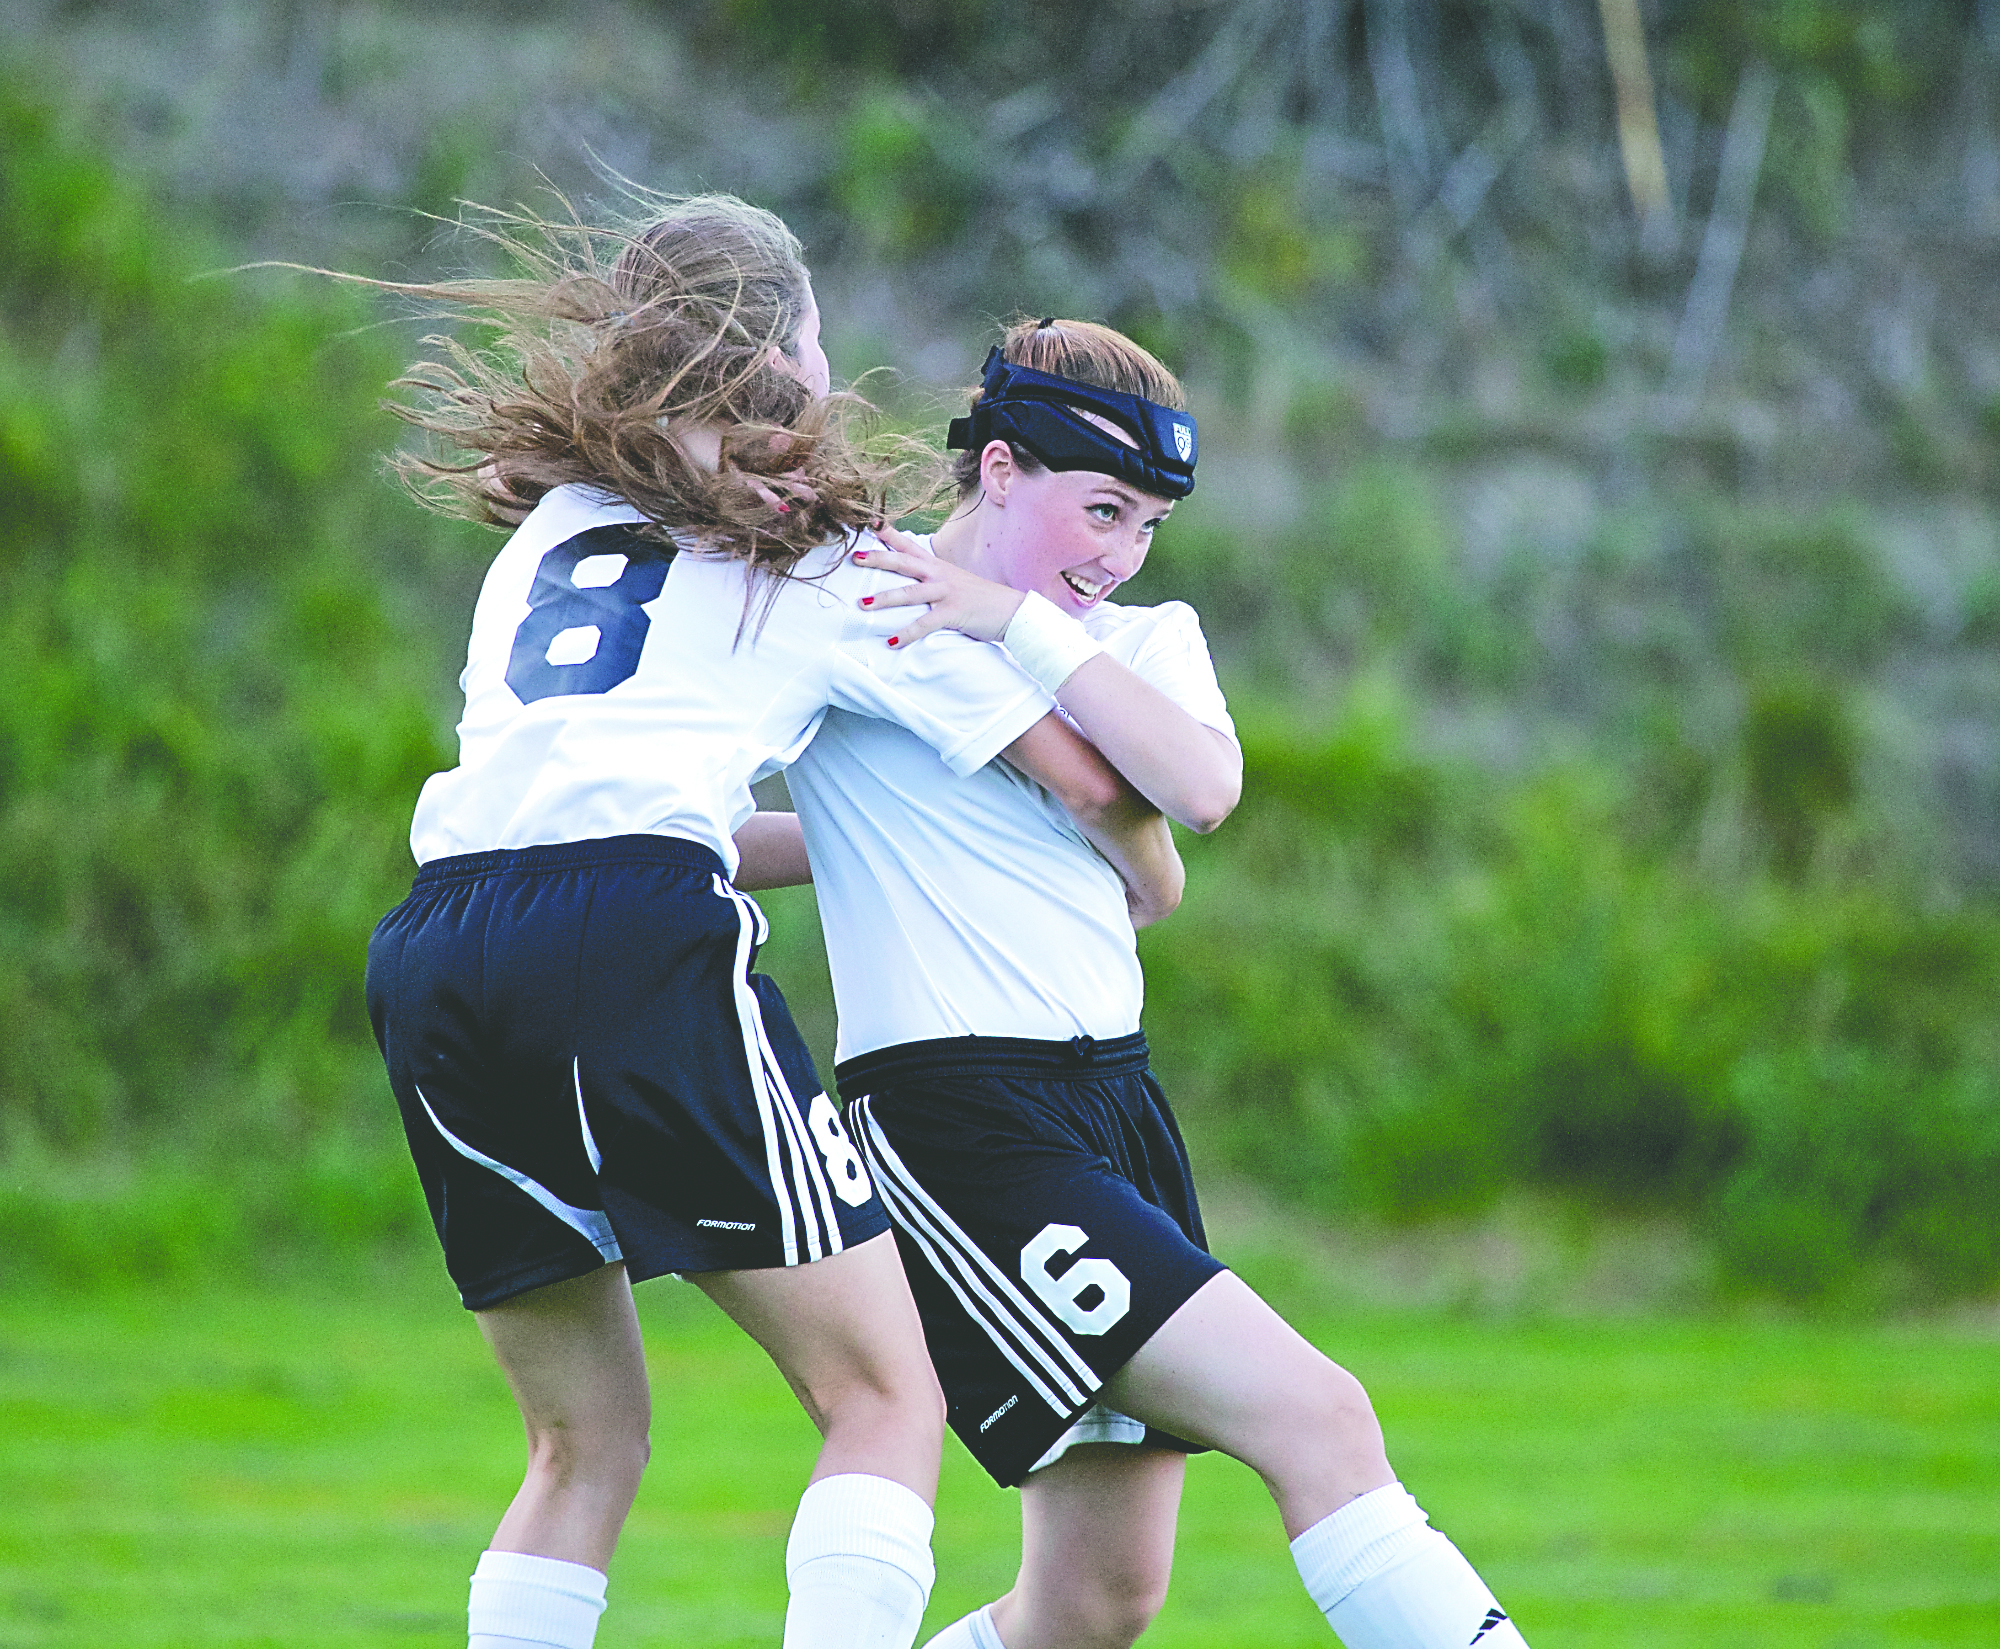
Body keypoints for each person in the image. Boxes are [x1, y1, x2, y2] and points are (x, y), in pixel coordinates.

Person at [355, 201, 1178, 1649]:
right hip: (631, 937)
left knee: (579, 1450)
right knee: (881, 1394)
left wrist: (858, 850)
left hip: (441, 941)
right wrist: (1135, 853)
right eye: (814, 330)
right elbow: (1092, 781)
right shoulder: (819, 543)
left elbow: (617, 807)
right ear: (781, 349)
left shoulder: (552, 522)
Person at [781, 318, 1532, 1649]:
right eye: (1101, 510)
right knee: (1321, 1419)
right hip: (967, 1122)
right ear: (1001, 470)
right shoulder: (867, 602)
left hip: (1115, 1104)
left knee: (1096, 1601)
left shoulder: (1138, 634)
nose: (1120, 556)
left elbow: (1197, 796)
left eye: (1147, 526)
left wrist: (1020, 619)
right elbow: (1121, 827)